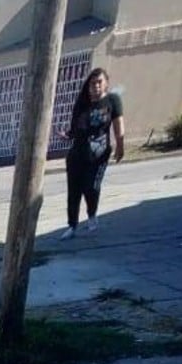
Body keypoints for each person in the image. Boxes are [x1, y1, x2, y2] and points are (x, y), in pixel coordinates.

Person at [59, 67, 124, 240]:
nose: (95, 86)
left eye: (99, 82)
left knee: (91, 187)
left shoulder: (112, 101)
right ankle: (72, 225)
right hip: (77, 154)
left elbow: (118, 124)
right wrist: (66, 135)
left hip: (99, 154)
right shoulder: (82, 104)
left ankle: (92, 215)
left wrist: (120, 145)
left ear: (106, 83)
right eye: (92, 83)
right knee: (74, 191)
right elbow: (75, 129)